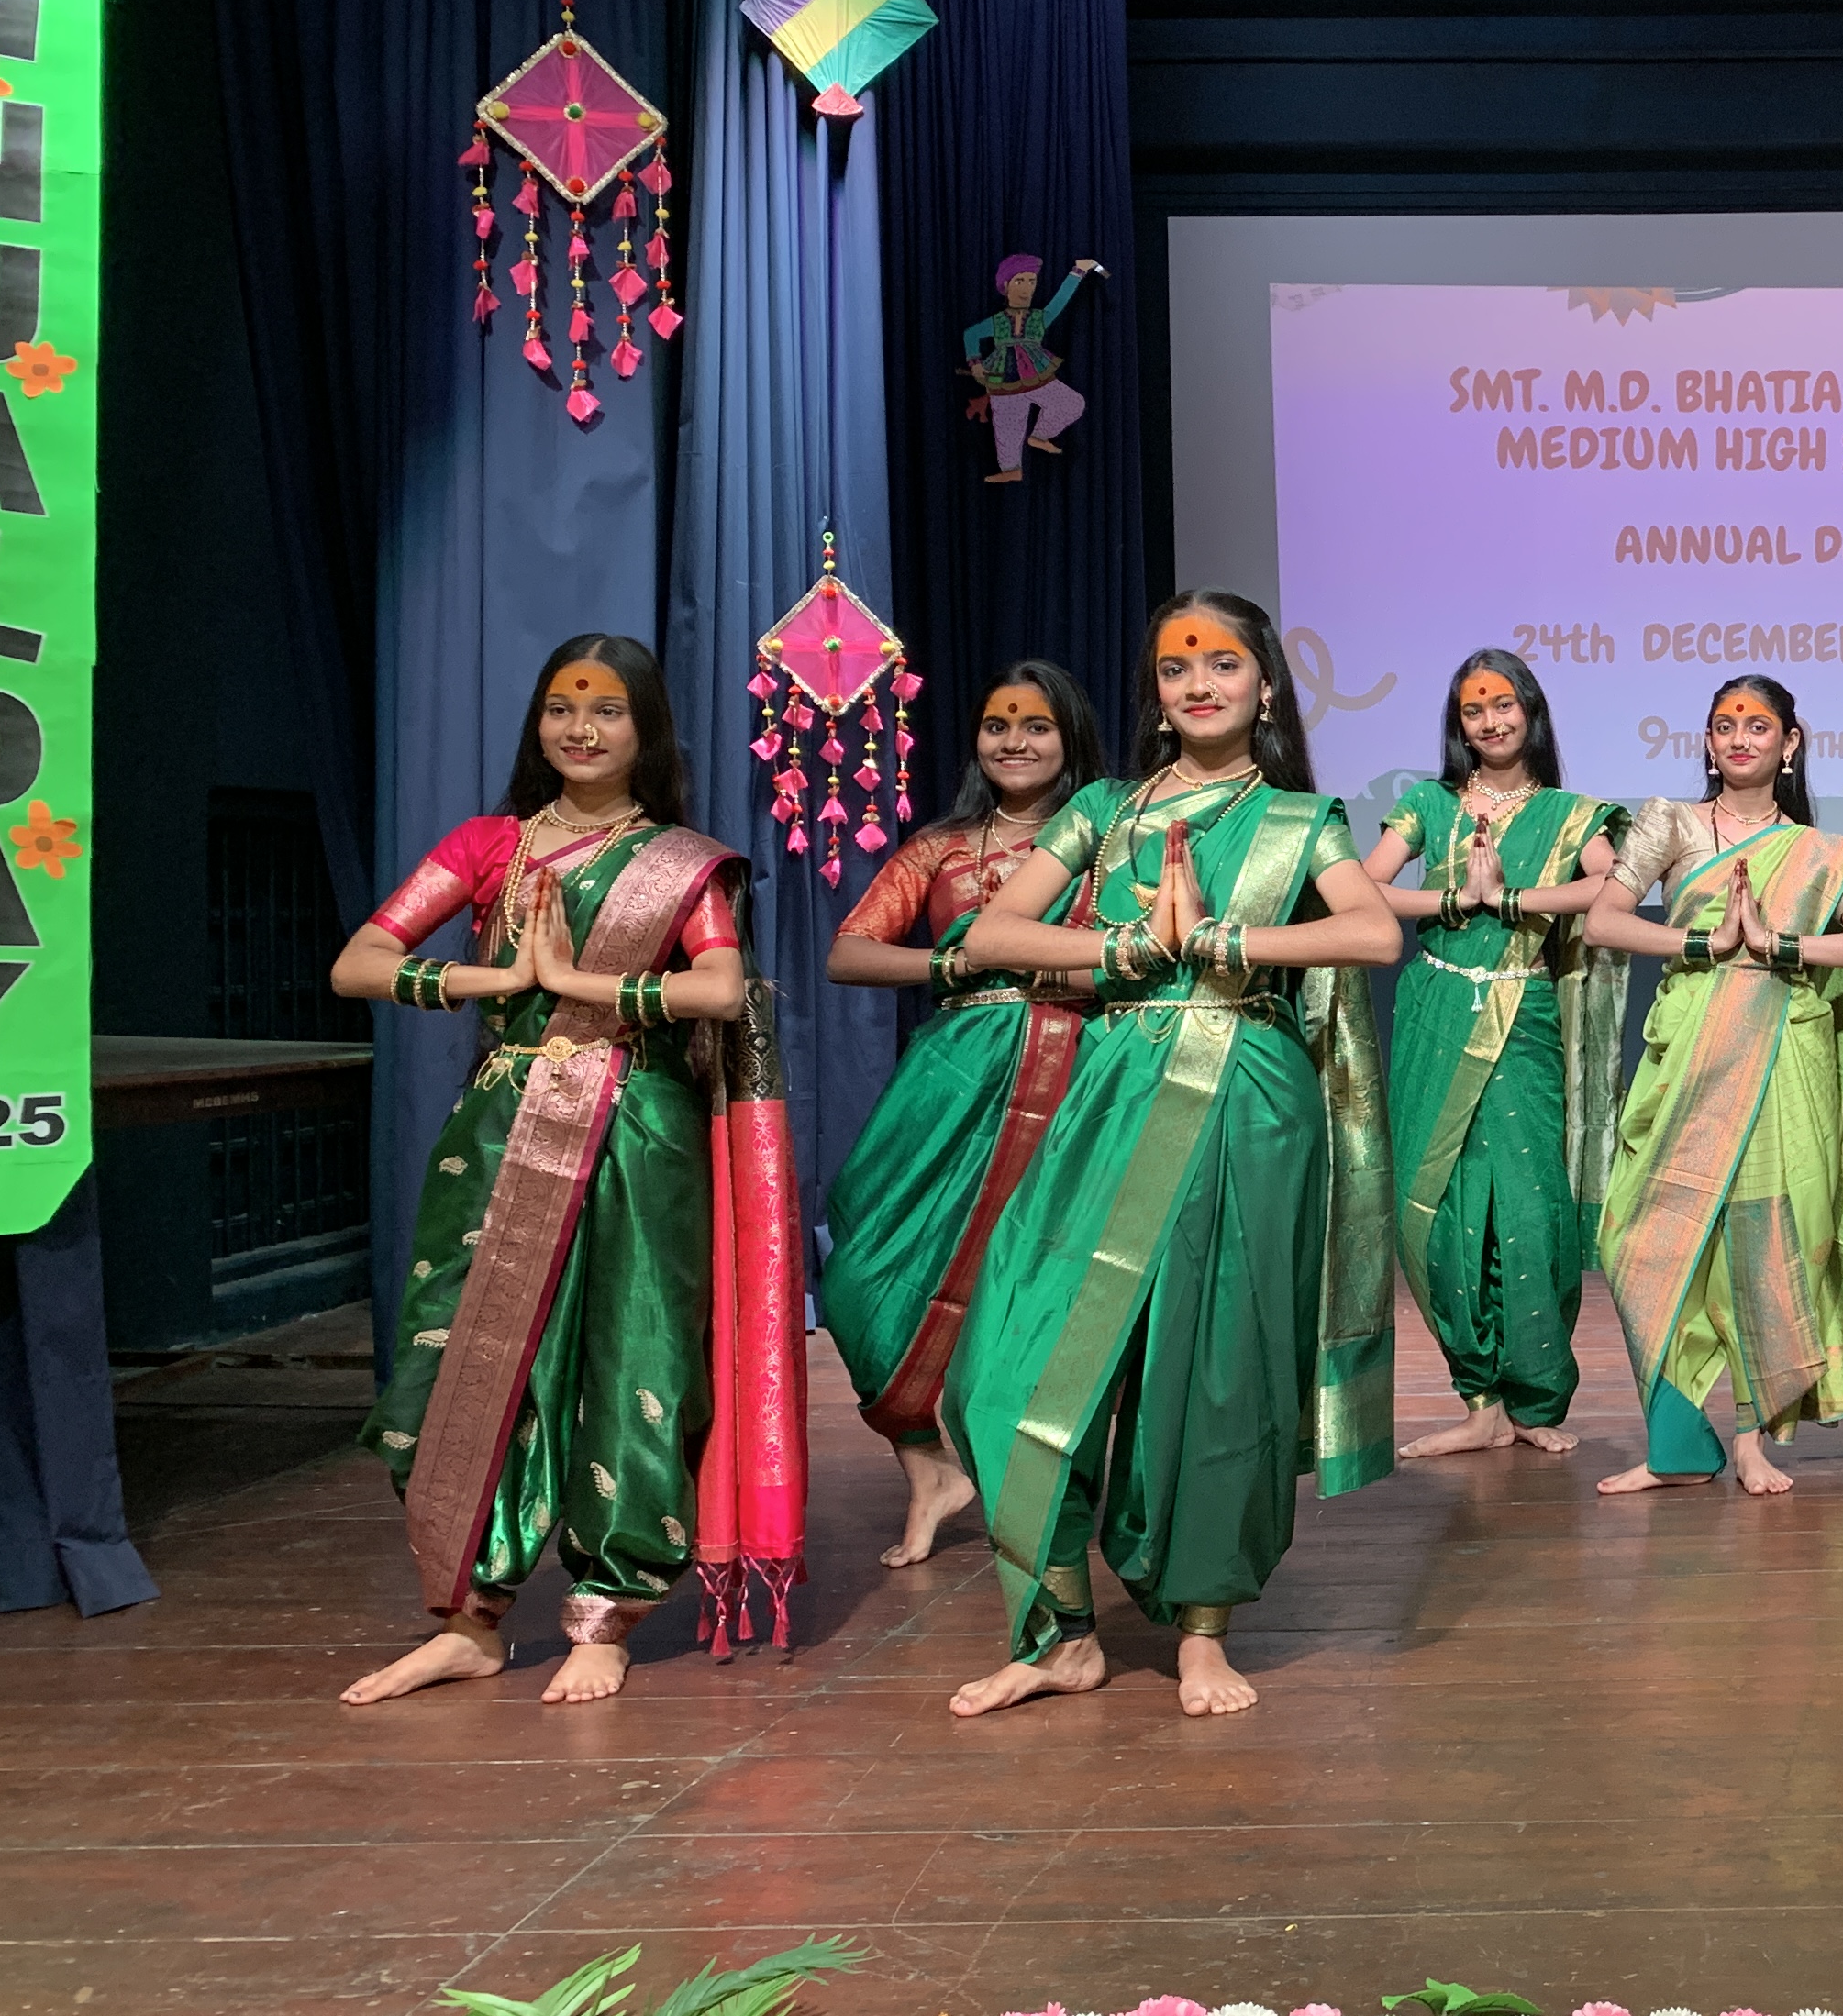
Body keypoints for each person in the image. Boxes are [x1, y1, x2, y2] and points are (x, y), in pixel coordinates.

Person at [937, 591, 1404, 1721]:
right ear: (1154, 693)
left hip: (1246, 1095)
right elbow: (991, 933)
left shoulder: (1300, 819)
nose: (1200, 682)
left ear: (1266, 688)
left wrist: (1227, 939)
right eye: (1177, 666)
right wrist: (1130, 946)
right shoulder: (1100, 809)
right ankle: (1061, 1634)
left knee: (1216, 1360)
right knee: (1001, 1361)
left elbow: (1374, 931)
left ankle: (1202, 1631)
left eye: (1224, 663)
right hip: (1113, 1090)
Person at [328, 637, 805, 1708]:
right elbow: (358, 961)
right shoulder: (489, 845)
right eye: (560, 707)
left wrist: (584, 984)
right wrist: (497, 980)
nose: (580, 728)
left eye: (606, 710)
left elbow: (720, 989)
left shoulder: (681, 861)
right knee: (454, 1361)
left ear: (647, 729)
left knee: (633, 1356)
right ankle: (469, 1619)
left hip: (637, 1129)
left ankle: (606, 1614)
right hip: (500, 1127)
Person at [817, 660, 1111, 1567]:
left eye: (1036, 726)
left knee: (1042, 1286)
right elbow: (849, 953)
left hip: (1075, 1069)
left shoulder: (1111, 837)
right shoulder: (940, 848)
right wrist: (953, 964)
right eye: (996, 725)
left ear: (1071, 738)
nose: (1013, 742)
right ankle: (929, 1470)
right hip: (950, 1077)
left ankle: (1052, 1493)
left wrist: (1059, 968)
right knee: (859, 1275)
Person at [1582, 676, 1843, 1497]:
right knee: (1635, 1239)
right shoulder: (1672, 823)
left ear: (1789, 743)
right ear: (1708, 741)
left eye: (1758, 726)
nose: (1739, 739)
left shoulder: (1825, 852)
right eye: (1724, 725)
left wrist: (1778, 946)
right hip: (1689, 1052)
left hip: (1781, 1054)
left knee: (1764, 1244)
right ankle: (1678, 1446)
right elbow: (1604, 920)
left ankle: (1753, 1438)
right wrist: (1703, 943)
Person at [1360, 651, 1630, 1459]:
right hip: (1437, 1010)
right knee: (1435, 1203)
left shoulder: (1572, 814)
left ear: (1531, 712)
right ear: (1459, 724)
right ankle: (1478, 1400)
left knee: (1528, 1206)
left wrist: (1509, 899)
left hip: (1525, 1011)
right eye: (1473, 709)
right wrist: (1453, 899)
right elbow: (1365, 887)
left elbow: (1609, 888)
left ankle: (1534, 1398)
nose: (1491, 721)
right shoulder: (1427, 803)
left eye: (1504, 704)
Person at [962, 253, 1098, 483]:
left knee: (1071, 403)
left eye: (1031, 281)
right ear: (1006, 285)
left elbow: (1060, 300)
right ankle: (1011, 468)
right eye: (1019, 281)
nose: (1026, 288)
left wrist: (1078, 272)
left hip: (1036, 373)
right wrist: (975, 364)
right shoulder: (998, 321)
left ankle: (1040, 434)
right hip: (1002, 378)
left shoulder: (1039, 318)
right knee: (1007, 425)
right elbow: (971, 334)